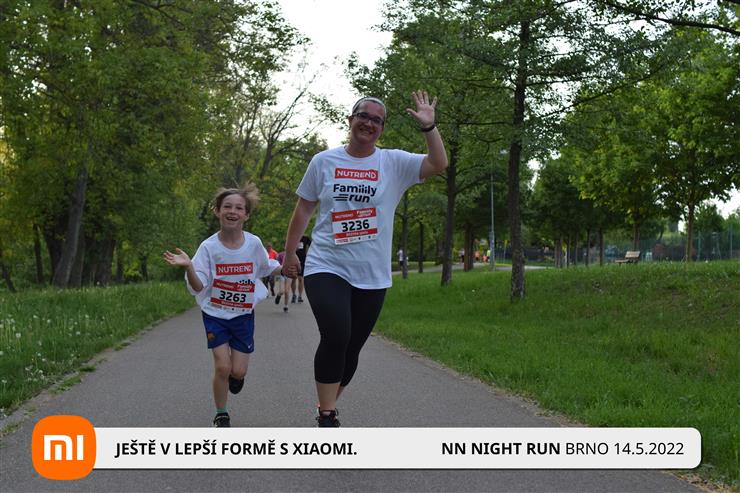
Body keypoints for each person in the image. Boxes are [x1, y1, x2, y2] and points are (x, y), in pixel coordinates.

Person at [282, 91, 448, 427]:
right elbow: (304, 209)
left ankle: (326, 402)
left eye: (376, 120)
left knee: (352, 347)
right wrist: (289, 254)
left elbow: (438, 163)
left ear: (382, 128)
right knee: (336, 334)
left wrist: (429, 128)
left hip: (372, 272)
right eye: (363, 116)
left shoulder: (393, 163)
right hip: (326, 263)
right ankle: (327, 416)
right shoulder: (324, 161)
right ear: (350, 120)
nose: (368, 123)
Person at [164, 184, 281, 427]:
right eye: (227, 206)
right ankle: (221, 413)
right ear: (217, 211)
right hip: (215, 314)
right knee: (222, 366)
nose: (232, 211)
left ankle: (236, 377)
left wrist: (288, 266)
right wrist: (189, 267)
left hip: (242, 315)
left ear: (246, 215)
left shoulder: (253, 244)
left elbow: (266, 267)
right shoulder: (209, 247)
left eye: (239, 208)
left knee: (238, 371)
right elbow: (198, 286)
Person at [293, 235, 311, 303]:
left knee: (300, 279)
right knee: (294, 278)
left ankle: (300, 296)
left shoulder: (305, 238)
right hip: (294, 259)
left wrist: (308, 254)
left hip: (303, 261)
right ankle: (294, 295)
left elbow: (312, 246)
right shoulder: (293, 236)